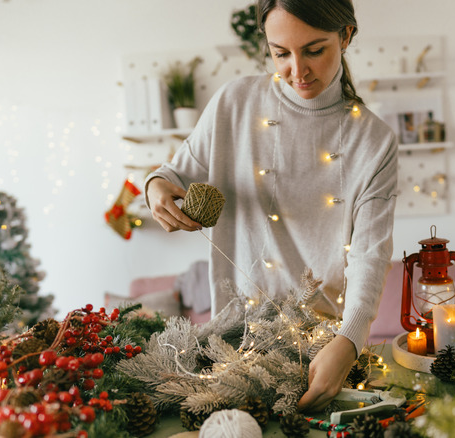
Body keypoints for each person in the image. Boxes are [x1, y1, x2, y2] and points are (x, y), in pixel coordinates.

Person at [145, 0, 397, 412]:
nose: (298, 71)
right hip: (231, 346)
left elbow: (370, 254)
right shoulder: (235, 103)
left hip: (319, 351)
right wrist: (156, 190)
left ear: (346, 35)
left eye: (315, 50)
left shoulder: (373, 141)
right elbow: (172, 174)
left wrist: (350, 341)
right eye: (281, 53)